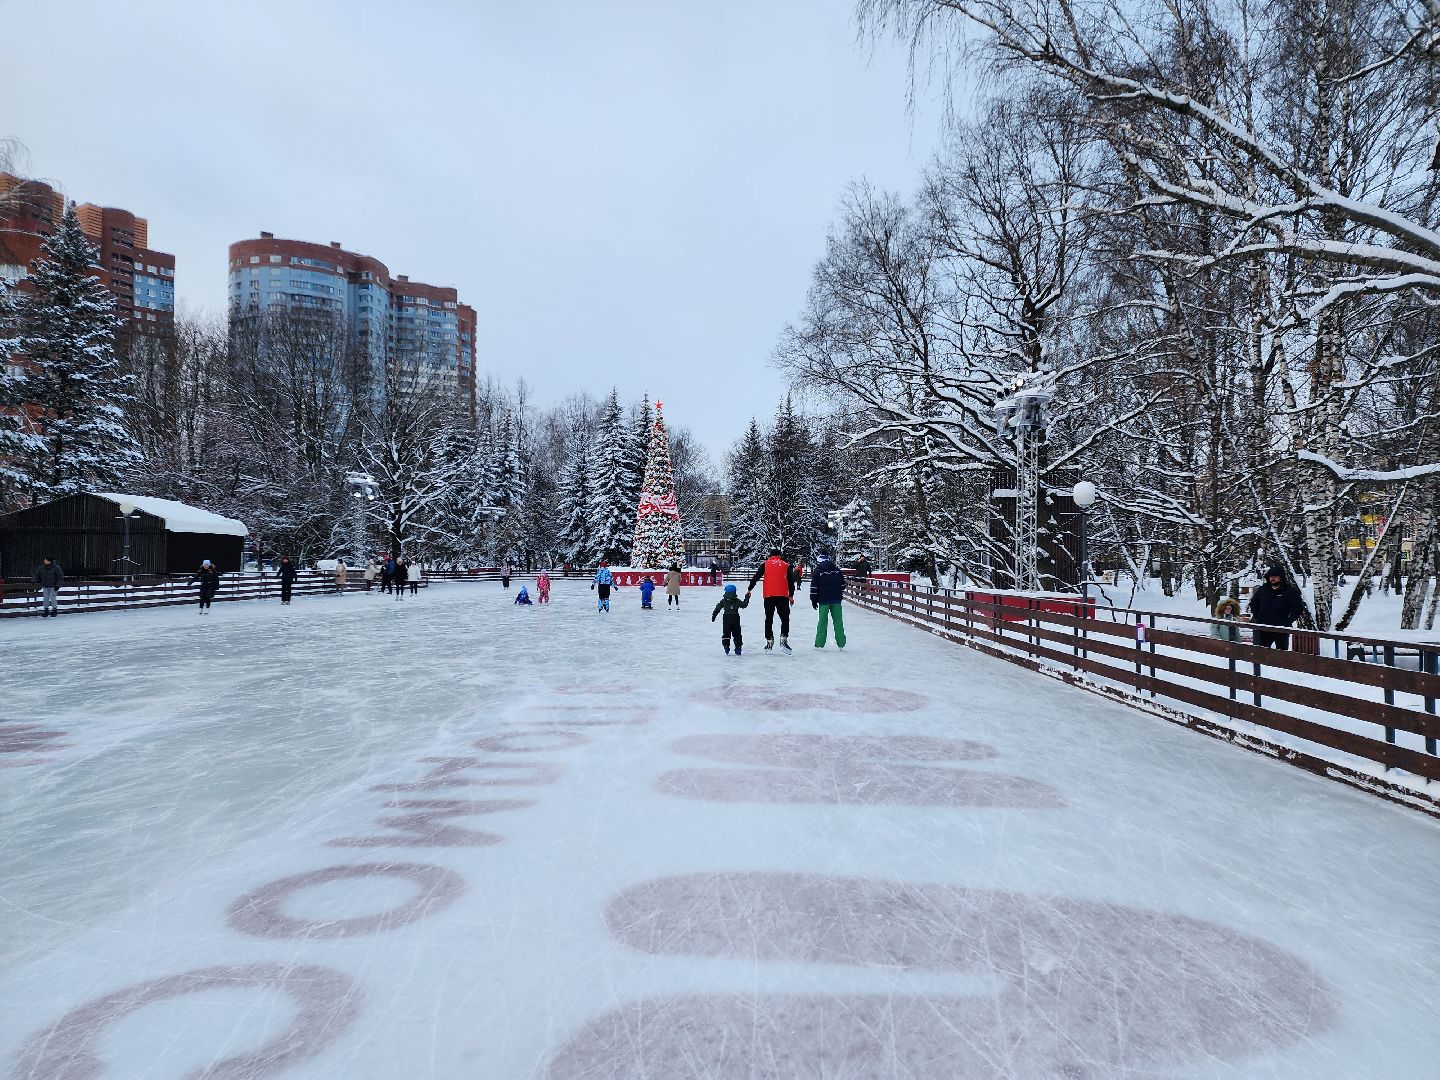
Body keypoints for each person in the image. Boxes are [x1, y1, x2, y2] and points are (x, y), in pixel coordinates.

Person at [747, 547, 795, 652]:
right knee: (785, 618)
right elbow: (791, 582)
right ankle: (783, 639)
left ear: (770, 556)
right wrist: (791, 596)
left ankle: (769, 640)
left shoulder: (765, 564)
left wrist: (749, 589)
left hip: (769, 596)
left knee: (769, 618)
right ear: (779, 556)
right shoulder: (785, 565)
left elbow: (756, 577)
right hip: (782, 596)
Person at [1248, 564, 1304, 649]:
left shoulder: (1289, 591)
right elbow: (1253, 603)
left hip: (1281, 628)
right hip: (1263, 627)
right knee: (1261, 653)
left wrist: (1288, 621)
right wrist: (1258, 616)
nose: (1272, 578)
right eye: (1271, 576)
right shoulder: (1263, 589)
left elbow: (1298, 608)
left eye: (1275, 576)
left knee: (1281, 653)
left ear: (1281, 577)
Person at [810, 549, 847, 649]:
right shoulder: (837, 570)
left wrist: (813, 600)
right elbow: (843, 585)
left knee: (822, 621)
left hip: (824, 600)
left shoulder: (818, 571)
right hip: (836, 600)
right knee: (838, 621)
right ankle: (841, 643)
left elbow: (814, 588)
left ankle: (819, 643)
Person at [711, 583, 751, 655]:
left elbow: (717, 608)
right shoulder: (737, 600)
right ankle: (738, 647)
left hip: (727, 618)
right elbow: (744, 605)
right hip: (736, 618)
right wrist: (747, 598)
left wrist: (714, 616)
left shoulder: (723, 601)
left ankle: (726, 646)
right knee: (737, 633)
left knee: (726, 633)